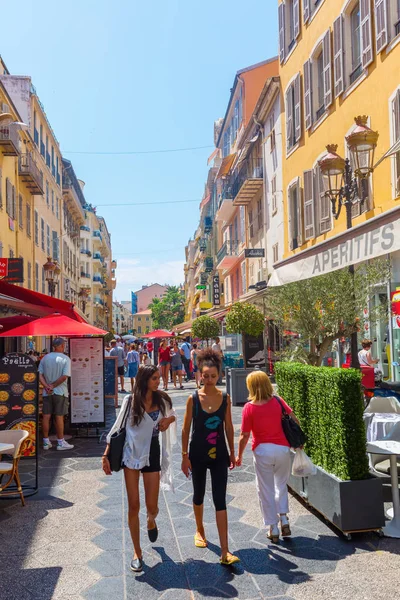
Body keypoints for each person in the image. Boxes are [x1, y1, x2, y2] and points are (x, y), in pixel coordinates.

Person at [102, 365, 177, 573]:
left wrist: (167, 421)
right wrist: (106, 454)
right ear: (144, 380)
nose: (158, 381)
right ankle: (137, 552)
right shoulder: (130, 401)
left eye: (159, 378)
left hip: (152, 451)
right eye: (154, 378)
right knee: (133, 505)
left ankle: (151, 520)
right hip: (130, 454)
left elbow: (173, 415)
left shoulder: (162, 400)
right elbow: (117, 429)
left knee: (152, 506)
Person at [181, 348, 239, 565]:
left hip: (219, 455)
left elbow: (230, 427)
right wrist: (184, 456)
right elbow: (186, 429)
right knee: (198, 494)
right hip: (196, 454)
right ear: (200, 373)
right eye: (205, 375)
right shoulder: (193, 398)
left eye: (213, 376)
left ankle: (225, 551)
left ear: (219, 375)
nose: (209, 379)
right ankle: (199, 529)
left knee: (220, 499)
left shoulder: (225, 398)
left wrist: (233, 453)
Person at [236, 371, 301, 543]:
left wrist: (239, 455)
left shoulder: (249, 408)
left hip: (262, 450)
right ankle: (284, 518)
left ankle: (272, 527)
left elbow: (244, 435)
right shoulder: (278, 401)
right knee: (281, 484)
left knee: (266, 489)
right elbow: (295, 421)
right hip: (282, 449)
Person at [38, 337, 74, 451]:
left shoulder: (45, 358)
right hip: (60, 392)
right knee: (59, 416)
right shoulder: (65, 359)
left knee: (46, 416)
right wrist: (53, 386)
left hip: (46, 392)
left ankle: (45, 441)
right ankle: (60, 442)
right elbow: (64, 376)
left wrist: (46, 386)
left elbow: (39, 374)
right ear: (62, 346)